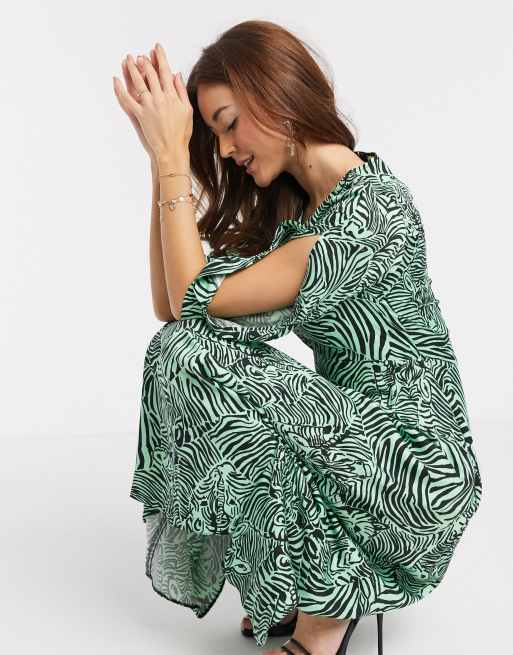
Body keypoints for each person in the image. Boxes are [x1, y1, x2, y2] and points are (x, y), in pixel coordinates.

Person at [116, 20, 483, 655]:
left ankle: (326, 614)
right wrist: (160, 161)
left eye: (229, 123)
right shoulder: (300, 213)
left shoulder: (369, 212)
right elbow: (172, 307)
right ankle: (305, 580)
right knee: (181, 350)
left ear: (276, 97)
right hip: (356, 452)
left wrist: (175, 157)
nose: (224, 148)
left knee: (197, 357)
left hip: (418, 471)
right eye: (214, 134)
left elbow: (190, 297)